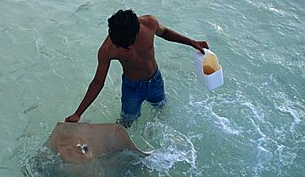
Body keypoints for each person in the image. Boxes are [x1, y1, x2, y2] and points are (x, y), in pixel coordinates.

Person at [65, 9, 209, 126]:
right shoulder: (107, 50)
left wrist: (191, 42)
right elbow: (98, 82)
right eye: (121, 46)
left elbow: (165, 33)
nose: (125, 49)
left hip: (156, 81)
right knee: (127, 122)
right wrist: (78, 113)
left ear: (136, 31)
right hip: (132, 89)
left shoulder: (149, 24)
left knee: (161, 108)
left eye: (127, 44)